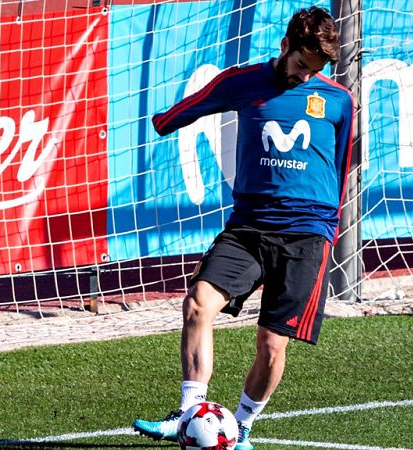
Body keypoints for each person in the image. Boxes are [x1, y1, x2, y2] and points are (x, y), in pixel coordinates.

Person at [133, 6, 353, 450]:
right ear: (285, 45)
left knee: (272, 344)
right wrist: (164, 121)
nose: (304, 76)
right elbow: (185, 110)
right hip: (249, 225)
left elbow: (342, 165)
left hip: (307, 234)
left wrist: (325, 225)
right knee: (198, 304)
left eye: (314, 70)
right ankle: (188, 412)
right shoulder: (242, 82)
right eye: (299, 65)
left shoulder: (337, 100)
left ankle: (242, 425)